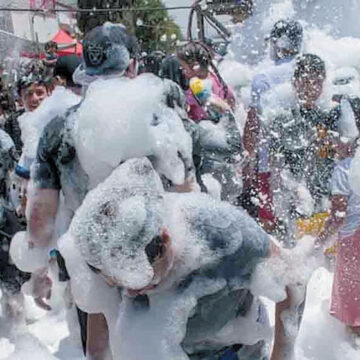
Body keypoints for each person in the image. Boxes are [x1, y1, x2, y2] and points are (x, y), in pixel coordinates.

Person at [13, 22, 195, 360]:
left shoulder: (57, 129)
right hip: (161, 264)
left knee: (101, 350)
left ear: (86, 70)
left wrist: (38, 269)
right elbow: (189, 197)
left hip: (93, 269)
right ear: (132, 66)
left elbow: (39, 223)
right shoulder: (160, 119)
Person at [59, 156, 305, 360]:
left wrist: (282, 356)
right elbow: (98, 342)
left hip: (237, 348)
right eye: (122, 285)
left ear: (165, 240)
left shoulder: (222, 233)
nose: (131, 293)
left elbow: (293, 280)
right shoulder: (106, 250)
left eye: (142, 283)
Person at [242, 19, 303, 226]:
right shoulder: (312, 68)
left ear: (278, 43)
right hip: (307, 162)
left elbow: (253, 122)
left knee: (272, 225)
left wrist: (247, 160)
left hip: (270, 164)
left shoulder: (263, 78)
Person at [315, 92, 360, 345]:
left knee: (355, 310)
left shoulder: (344, 169)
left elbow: (339, 215)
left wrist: (318, 242)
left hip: (353, 241)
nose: (330, 142)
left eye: (332, 135)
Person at [176, 42, 242, 203]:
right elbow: (231, 100)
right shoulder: (216, 78)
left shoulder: (197, 85)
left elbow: (218, 105)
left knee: (211, 194)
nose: (183, 73)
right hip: (224, 141)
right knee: (228, 195)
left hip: (209, 149)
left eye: (184, 68)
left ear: (195, 66)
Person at [0, 130, 30, 326]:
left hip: (5, 213)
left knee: (8, 270)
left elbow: (15, 177)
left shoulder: (3, 141)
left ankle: (16, 321)